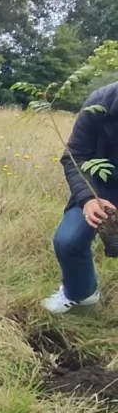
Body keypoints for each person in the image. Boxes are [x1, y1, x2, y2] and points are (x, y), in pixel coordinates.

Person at [42, 81, 118, 314]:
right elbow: (75, 156)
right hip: (101, 188)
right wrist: (88, 198)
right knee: (68, 241)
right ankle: (81, 294)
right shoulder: (100, 103)